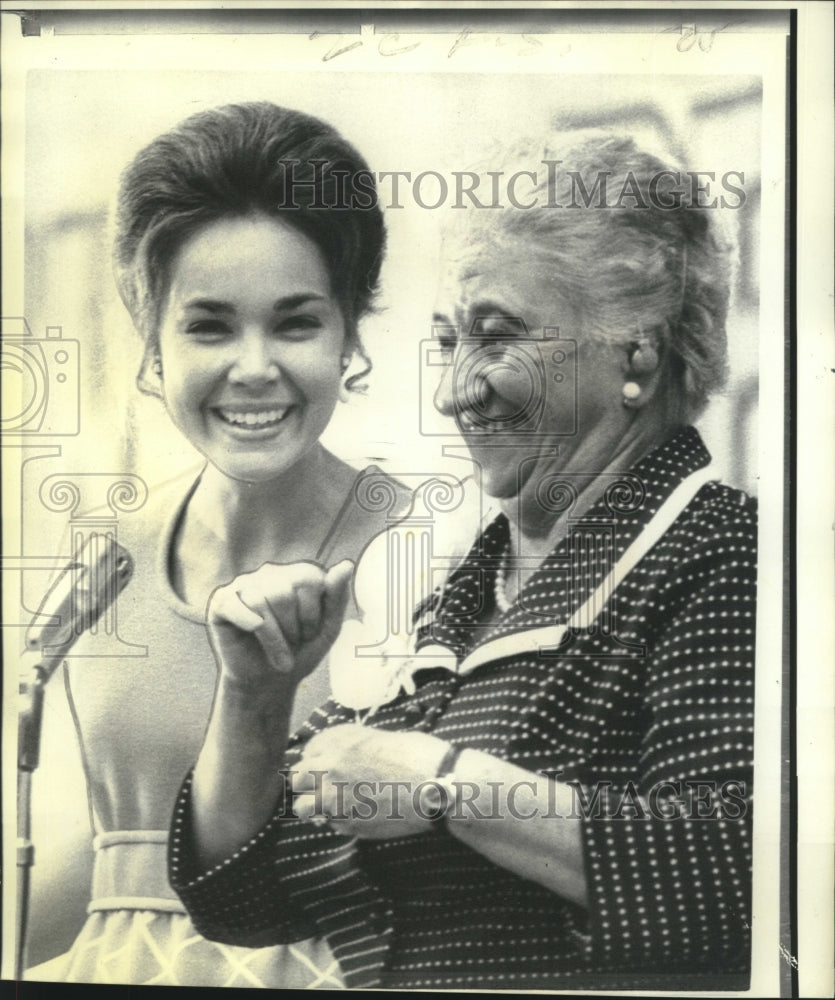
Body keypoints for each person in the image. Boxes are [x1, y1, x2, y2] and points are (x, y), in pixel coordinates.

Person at [168, 131, 756, 990]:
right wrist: (256, 698)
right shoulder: (464, 599)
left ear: (635, 351)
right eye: (448, 342)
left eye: (496, 337)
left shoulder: (716, 555)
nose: (452, 391)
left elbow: (749, 874)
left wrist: (442, 783)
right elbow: (246, 899)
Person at [25, 101, 408, 987]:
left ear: (351, 331)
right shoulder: (106, 556)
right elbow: (102, 874)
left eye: (295, 322)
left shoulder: (427, 549)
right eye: (208, 325)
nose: (252, 367)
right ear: (152, 346)